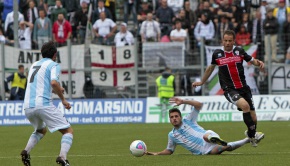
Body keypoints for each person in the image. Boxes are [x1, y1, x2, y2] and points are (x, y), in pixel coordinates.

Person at [192, 30, 265, 147]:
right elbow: (210, 69)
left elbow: (252, 60)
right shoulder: (217, 54)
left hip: (244, 88)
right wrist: (202, 82)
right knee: (245, 106)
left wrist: (259, 63)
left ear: (233, 41)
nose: (227, 43)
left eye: (230, 41)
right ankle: (253, 136)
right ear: (222, 41)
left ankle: (251, 134)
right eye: (225, 40)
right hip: (229, 89)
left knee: (254, 118)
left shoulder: (239, 51)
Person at [20, 41, 73, 166]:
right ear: (55, 54)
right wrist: (63, 99)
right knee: (68, 131)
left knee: (41, 131)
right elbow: (53, 83)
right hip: (43, 104)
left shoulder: (34, 65)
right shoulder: (53, 65)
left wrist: (58, 90)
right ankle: (62, 157)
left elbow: (40, 86)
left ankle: (26, 151)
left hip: (28, 106)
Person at [146, 97, 254, 155]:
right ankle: (247, 139)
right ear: (169, 119)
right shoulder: (172, 135)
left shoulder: (188, 120)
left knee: (206, 136)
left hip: (206, 136)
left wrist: (183, 101)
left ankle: (213, 138)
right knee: (226, 148)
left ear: (180, 117)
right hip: (203, 151)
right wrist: (156, 154)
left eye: (176, 116)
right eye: (172, 117)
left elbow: (199, 105)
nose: (174, 118)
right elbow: (169, 150)